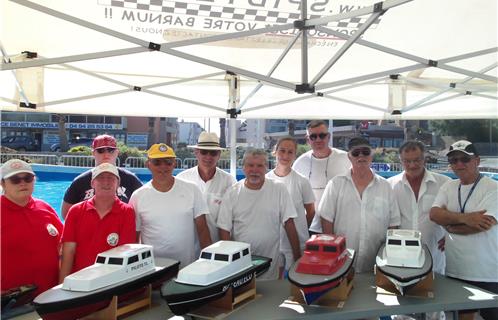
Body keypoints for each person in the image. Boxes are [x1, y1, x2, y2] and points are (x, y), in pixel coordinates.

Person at [430, 140, 497, 320]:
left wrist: (450, 225)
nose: (459, 164)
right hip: (455, 270)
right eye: (453, 160)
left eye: (464, 159)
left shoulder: (493, 188)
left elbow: (482, 225)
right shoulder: (449, 186)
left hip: (488, 272)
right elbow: (434, 214)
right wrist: (467, 218)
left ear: (477, 161)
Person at [218, 148, 301, 280]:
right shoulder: (232, 193)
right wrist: (229, 263)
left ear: (266, 168)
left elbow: (289, 223)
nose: (255, 170)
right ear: (243, 167)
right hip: (241, 266)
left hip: (271, 264)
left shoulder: (279, 189)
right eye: (250, 165)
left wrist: (297, 257)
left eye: (260, 166)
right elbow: (224, 229)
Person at [320, 137, 400, 273]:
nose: (361, 156)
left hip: (377, 263)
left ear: (372, 154)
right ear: (349, 157)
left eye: (365, 152)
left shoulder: (386, 187)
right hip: (342, 262)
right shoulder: (335, 184)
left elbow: (393, 224)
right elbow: (326, 219)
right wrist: (332, 254)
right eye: (356, 153)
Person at [130, 143, 212, 267]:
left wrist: (209, 262)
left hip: (187, 267)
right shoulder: (138, 196)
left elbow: (203, 230)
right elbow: (134, 238)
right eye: (157, 162)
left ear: (174, 164)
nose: (163, 167)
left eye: (168, 162)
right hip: (153, 270)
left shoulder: (192, 189)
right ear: (148, 165)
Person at [59, 163, 136, 282]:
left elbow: (124, 253)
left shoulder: (127, 212)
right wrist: (62, 284)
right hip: (78, 280)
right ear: (92, 183)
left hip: (110, 282)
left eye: (111, 178)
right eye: (100, 178)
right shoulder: (76, 211)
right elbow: (68, 251)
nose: (106, 182)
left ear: (118, 184)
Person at [1, 159, 63, 297]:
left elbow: (63, 246)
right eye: (15, 179)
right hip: (11, 301)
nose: (22, 183)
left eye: (28, 178)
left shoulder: (45, 208)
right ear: (3, 184)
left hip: (50, 295)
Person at [388, 141, 450, 274]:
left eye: (417, 160)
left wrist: (451, 235)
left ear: (425, 158)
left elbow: (457, 212)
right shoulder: (390, 185)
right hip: (401, 258)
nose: (412, 165)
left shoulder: (444, 183)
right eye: (407, 161)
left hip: (435, 254)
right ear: (401, 161)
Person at [61, 134, 143, 219]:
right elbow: (66, 215)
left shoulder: (131, 180)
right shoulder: (80, 182)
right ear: (93, 153)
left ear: (117, 152)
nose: (106, 154)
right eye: (101, 150)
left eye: (110, 150)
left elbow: (144, 210)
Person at [266, 137, 315, 276]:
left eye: (290, 152)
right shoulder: (266, 180)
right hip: (273, 246)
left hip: (298, 245)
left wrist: (300, 229)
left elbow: (311, 212)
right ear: (275, 152)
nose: (285, 156)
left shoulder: (302, 181)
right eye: (282, 151)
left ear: (295, 155)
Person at [177, 132, 236, 245]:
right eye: (204, 152)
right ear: (196, 153)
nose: (208, 157)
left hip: (218, 246)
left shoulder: (229, 181)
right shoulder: (182, 178)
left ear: (219, 154)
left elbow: (233, 217)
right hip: (187, 247)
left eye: (213, 153)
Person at [293, 120, 350, 234]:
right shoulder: (300, 163)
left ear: (328, 137)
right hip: (310, 226)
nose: (318, 139)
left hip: (340, 225)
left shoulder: (346, 158)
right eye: (313, 136)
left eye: (322, 135)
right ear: (308, 139)